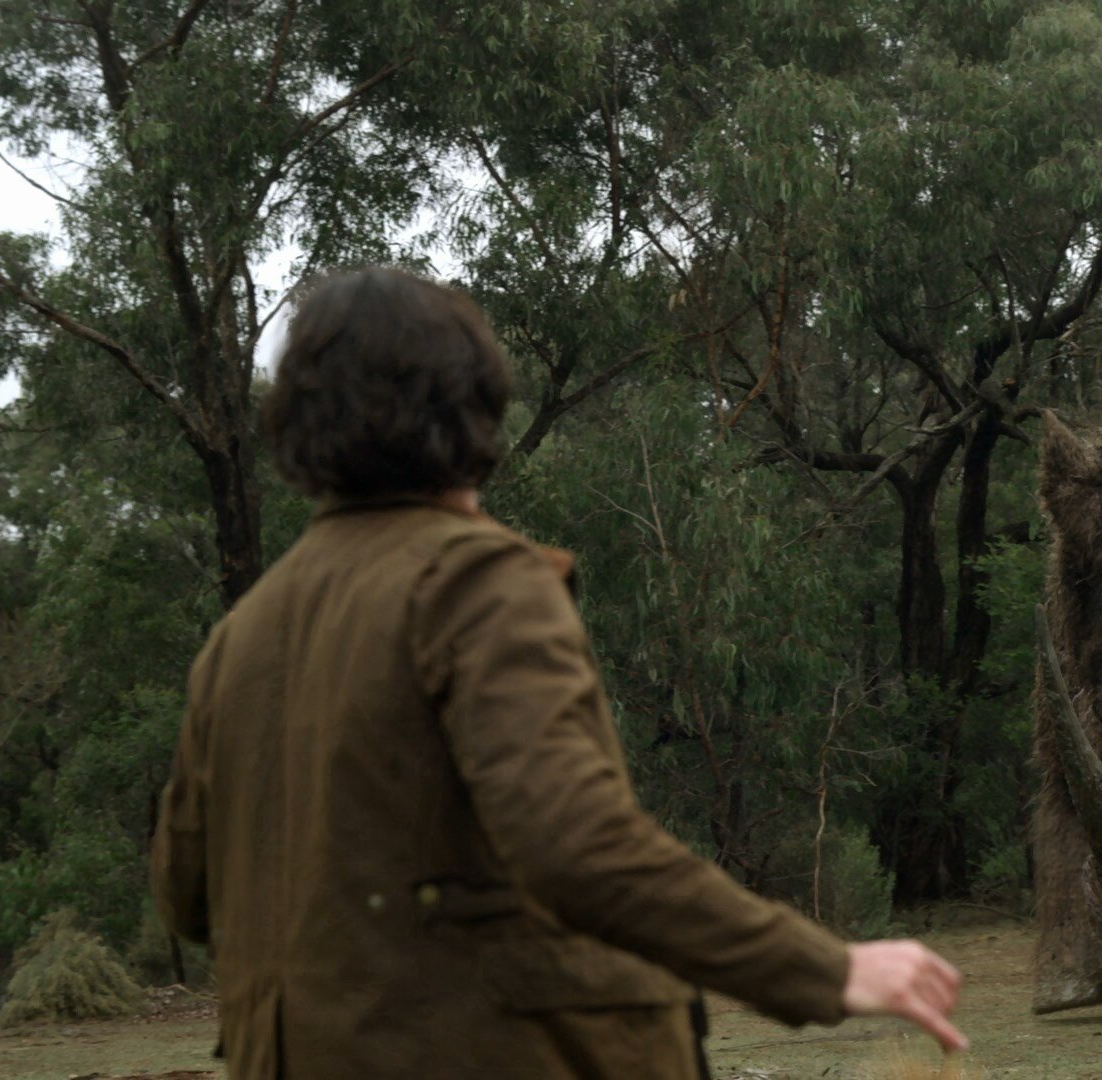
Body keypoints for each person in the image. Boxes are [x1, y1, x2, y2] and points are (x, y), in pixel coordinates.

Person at [150, 267, 966, 1078]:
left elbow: (186, 897)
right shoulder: (473, 579)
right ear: (471, 402)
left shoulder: (238, 639)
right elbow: (576, 846)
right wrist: (825, 968)